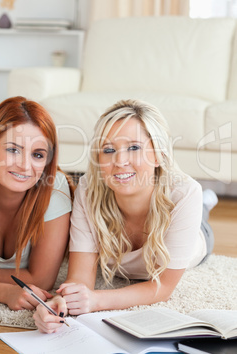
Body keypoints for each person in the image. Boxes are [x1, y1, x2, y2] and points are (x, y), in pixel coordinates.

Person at [34, 99, 216, 333]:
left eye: (134, 148)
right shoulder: (89, 191)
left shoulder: (185, 192)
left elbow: (163, 288)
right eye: (108, 150)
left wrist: (97, 300)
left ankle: (207, 202)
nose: (120, 162)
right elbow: (80, 278)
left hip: (196, 237)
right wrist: (61, 302)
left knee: (201, 214)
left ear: (159, 155)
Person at [0, 96, 74, 313]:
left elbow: (41, 280)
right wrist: (3, 292)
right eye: (13, 150)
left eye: (37, 155)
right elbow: (28, 282)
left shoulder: (54, 189)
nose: (25, 165)